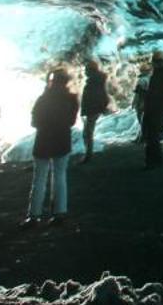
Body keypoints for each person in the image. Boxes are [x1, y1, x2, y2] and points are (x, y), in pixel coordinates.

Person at [25, 67, 80, 226]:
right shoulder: (72, 99)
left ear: (51, 81)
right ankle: (59, 213)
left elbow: (34, 122)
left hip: (43, 140)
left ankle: (34, 215)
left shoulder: (43, 99)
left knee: (39, 178)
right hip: (62, 139)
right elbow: (71, 122)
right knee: (60, 176)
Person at [141, 53, 163, 169]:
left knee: (151, 136)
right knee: (152, 136)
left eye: (154, 62)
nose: (153, 65)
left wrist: (145, 94)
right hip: (156, 107)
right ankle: (155, 161)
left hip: (155, 108)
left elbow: (160, 93)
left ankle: (152, 162)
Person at [79, 61, 110, 163]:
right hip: (92, 109)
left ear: (90, 70)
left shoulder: (94, 81)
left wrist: (96, 107)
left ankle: (88, 155)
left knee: (87, 133)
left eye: (86, 70)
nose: (85, 72)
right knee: (87, 133)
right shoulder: (96, 80)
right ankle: (88, 154)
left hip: (92, 109)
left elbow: (96, 96)